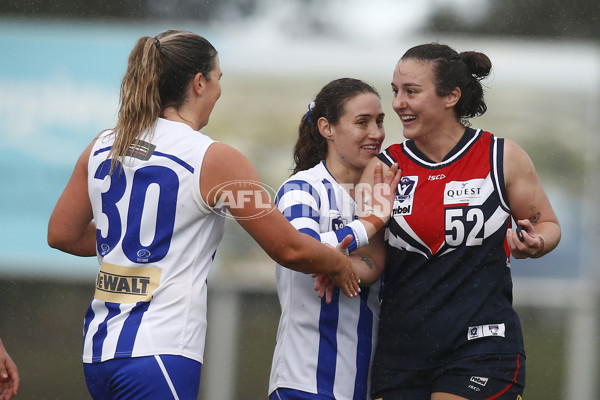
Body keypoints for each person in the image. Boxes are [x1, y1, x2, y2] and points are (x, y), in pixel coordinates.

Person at [47, 30, 366, 400]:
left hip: (99, 350)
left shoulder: (103, 144)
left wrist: (128, 245)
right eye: (217, 79)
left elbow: (62, 234)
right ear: (199, 83)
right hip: (161, 351)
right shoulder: (215, 159)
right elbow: (289, 248)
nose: (218, 91)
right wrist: (338, 262)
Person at [358, 43, 562, 400]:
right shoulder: (381, 169)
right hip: (402, 354)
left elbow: (548, 225)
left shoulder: (502, 156)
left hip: (482, 347)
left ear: (451, 96)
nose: (397, 104)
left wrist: (537, 242)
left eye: (411, 92)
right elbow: (371, 260)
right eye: (395, 92)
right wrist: (329, 262)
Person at [268, 78, 400, 400]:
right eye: (362, 122)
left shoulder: (383, 190)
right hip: (304, 381)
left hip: (366, 385)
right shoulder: (302, 188)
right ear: (327, 128)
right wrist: (370, 222)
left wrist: (342, 260)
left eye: (380, 121)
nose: (376, 133)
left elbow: (371, 262)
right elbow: (301, 249)